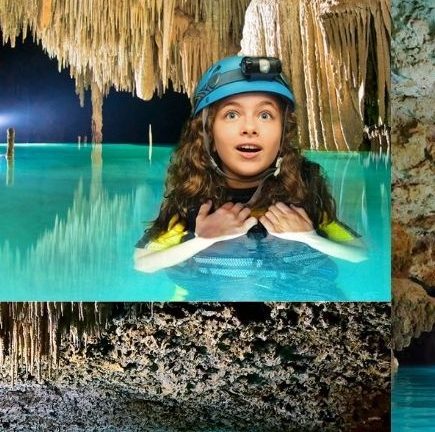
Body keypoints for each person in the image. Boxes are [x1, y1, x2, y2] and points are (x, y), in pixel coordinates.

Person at [133, 55, 365, 297]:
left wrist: (310, 237)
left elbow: (360, 254)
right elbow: (143, 263)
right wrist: (202, 239)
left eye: (265, 115)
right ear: (207, 132)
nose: (250, 128)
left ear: (283, 131)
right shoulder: (193, 199)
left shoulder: (303, 190)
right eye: (232, 115)